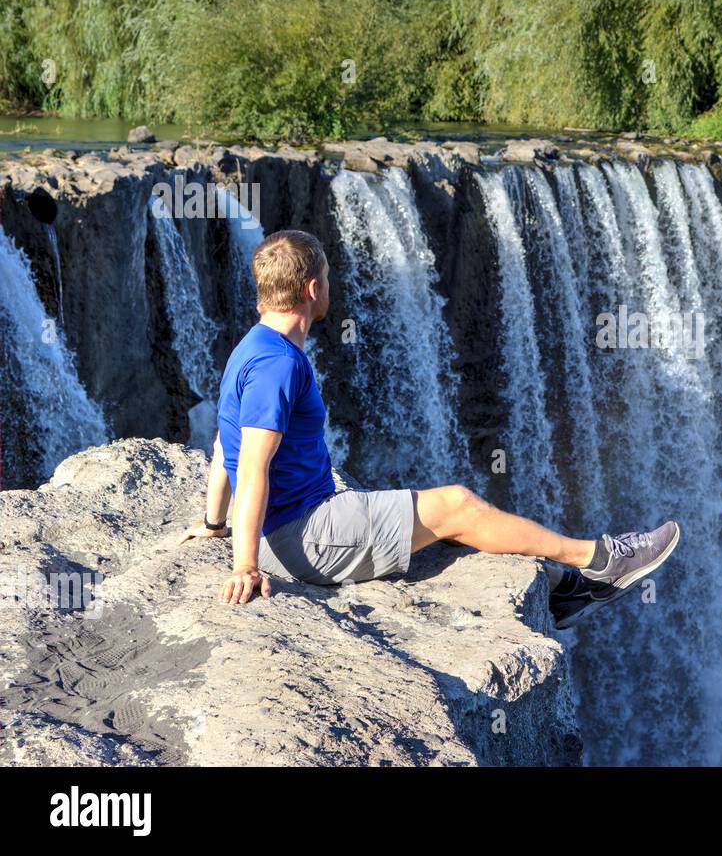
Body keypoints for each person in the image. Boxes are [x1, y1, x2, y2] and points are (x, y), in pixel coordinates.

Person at [179, 229, 679, 630]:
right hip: (301, 537)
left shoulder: (249, 346)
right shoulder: (278, 367)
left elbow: (225, 442)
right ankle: (600, 561)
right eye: (328, 277)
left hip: (296, 524)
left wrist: (213, 522)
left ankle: (560, 589)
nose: (331, 285)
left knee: (440, 525)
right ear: (312, 290)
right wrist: (244, 563)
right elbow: (251, 462)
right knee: (458, 505)